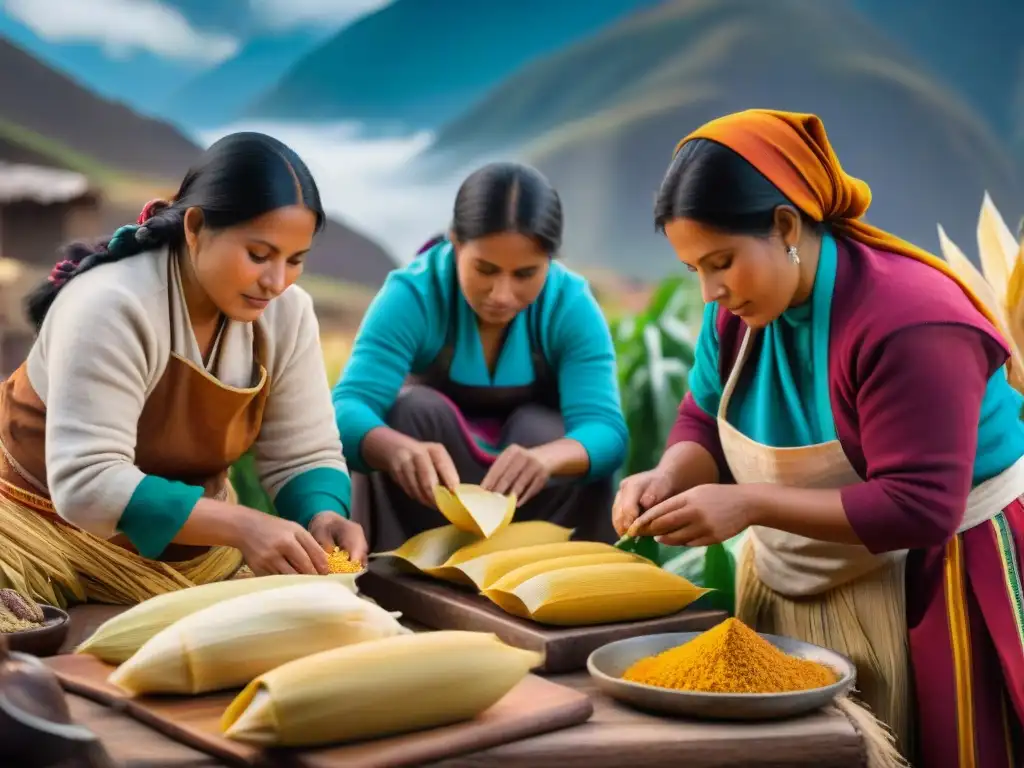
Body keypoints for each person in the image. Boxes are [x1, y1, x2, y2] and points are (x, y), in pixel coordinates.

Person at [613, 110, 1023, 768]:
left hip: (942, 570)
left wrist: (747, 505)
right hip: (796, 572)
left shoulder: (908, 322)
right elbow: (701, 417)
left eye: (720, 263)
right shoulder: (736, 314)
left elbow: (921, 507)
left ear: (784, 226)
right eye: (694, 268)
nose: (709, 290)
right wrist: (667, 476)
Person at [0, 132, 368, 608]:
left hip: (192, 552)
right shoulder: (109, 305)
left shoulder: (287, 312)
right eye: (258, 255)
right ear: (194, 227)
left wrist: (322, 513)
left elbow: (302, 453)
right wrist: (243, 525)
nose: (276, 281)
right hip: (38, 533)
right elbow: (87, 484)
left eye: (295, 260)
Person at [333, 162, 627, 551]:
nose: (502, 294)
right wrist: (394, 448)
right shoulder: (412, 295)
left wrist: (547, 460)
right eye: (485, 270)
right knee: (410, 413)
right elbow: (347, 406)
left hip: (535, 505)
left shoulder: (570, 304)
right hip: (429, 499)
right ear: (455, 244)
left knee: (545, 433)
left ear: (551, 261)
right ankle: (395, 579)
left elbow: (606, 431)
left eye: (525, 274)